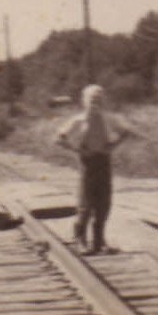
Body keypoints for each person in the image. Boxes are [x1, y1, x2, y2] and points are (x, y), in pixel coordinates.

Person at [54, 84, 131, 254]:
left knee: (103, 203)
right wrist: (77, 149)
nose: (95, 103)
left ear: (103, 101)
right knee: (86, 203)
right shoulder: (79, 120)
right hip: (87, 163)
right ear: (84, 101)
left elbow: (126, 132)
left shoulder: (108, 119)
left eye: (99, 99)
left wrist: (113, 145)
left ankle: (99, 241)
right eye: (92, 99)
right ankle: (80, 239)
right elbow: (59, 138)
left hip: (104, 161)